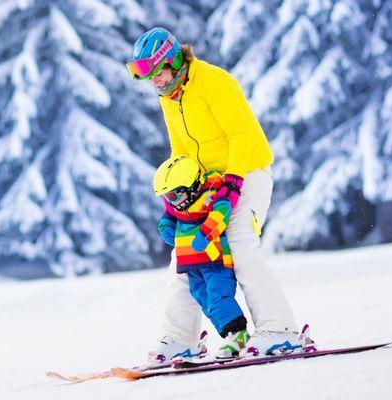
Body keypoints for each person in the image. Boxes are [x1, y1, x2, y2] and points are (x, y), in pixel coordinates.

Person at [126, 27, 300, 361]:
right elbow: (180, 151)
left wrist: (234, 181)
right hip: (205, 188)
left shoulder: (214, 82)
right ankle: (180, 339)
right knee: (184, 256)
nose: (154, 82)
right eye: (145, 76)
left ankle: (280, 330)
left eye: (156, 73)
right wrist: (178, 197)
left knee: (240, 245)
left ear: (174, 62)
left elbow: (242, 135)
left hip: (247, 174)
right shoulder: (169, 99)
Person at [153, 156, 252, 360]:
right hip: (192, 265)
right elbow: (168, 215)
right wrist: (165, 226)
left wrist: (206, 233)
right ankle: (230, 335)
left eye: (171, 195)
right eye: (165, 196)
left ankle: (238, 334)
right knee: (204, 299)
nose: (169, 201)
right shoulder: (178, 205)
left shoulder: (209, 196)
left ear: (188, 188)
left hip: (214, 262)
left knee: (218, 297)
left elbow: (221, 212)